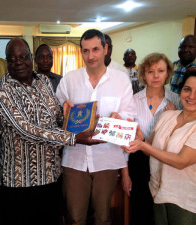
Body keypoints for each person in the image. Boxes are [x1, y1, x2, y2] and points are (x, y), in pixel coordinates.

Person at [0, 37, 101, 225]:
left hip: (50, 176)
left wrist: (82, 120)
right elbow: (27, 130)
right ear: (7, 61)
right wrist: (74, 137)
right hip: (20, 183)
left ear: (30, 58)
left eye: (23, 57)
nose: (18, 63)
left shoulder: (43, 81)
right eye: (12, 59)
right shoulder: (1, 92)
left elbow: (56, 118)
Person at [56, 29, 136, 225]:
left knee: (103, 216)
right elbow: (56, 110)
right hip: (74, 158)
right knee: (75, 217)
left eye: (95, 49)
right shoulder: (70, 79)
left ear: (105, 49)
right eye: (85, 51)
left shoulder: (121, 80)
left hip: (107, 158)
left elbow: (130, 113)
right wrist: (62, 109)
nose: (90, 56)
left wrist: (120, 116)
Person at [123, 67, 196, 225]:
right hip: (158, 193)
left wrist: (143, 146)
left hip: (187, 201)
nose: (191, 96)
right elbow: (152, 150)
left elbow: (181, 161)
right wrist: (140, 138)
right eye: (187, 89)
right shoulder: (168, 116)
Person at [128, 53, 180, 225]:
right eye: (151, 71)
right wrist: (125, 173)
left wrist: (170, 118)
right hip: (138, 161)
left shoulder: (177, 101)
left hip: (165, 161)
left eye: (161, 71)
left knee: (161, 211)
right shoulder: (133, 100)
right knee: (139, 209)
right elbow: (127, 138)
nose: (156, 76)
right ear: (143, 74)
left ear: (167, 73)